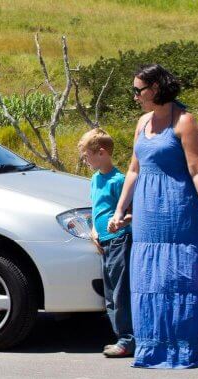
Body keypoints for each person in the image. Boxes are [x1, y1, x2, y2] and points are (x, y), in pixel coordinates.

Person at [108, 64, 198, 369]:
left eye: (138, 90)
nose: (135, 97)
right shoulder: (142, 122)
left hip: (180, 210)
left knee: (181, 277)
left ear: (155, 89)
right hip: (148, 214)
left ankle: (185, 349)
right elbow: (134, 169)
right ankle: (153, 349)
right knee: (151, 280)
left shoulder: (185, 122)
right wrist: (121, 210)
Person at [78, 128, 134, 358]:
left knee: (121, 292)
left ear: (101, 153)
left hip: (119, 240)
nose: (85, 159)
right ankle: (120, 336)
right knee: (109, 294)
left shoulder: (118, 180)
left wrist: (119, 222)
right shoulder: (95, 179)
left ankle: (128, 339)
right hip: (103, 243)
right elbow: (96, 208)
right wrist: (93, 229)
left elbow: (131, 212)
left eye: (87, 155)